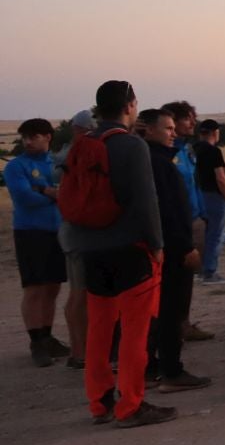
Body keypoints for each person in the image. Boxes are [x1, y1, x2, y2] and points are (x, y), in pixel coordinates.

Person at [65, 80, 176, 427]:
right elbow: (146, 201)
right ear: (129, 106)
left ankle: (100, 402)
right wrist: (157, 245)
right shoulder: (130, 146)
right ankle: (131, 404)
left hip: (91, 249)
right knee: (134, 332)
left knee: (99, 329)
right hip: (130, 249)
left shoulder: (83, 144)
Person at [138, 109, 211, 391]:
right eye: (167, 128)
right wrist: (184, 247)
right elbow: (168, 212)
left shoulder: (157, 159)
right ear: (150, 130)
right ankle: (171, 371)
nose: (172, 133)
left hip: (163, 245)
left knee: (161, 310)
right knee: (170, 310)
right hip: (171, 248)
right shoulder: (158, 163)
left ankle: (150, 366)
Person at [5, 119, 73, 367]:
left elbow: (68, 192)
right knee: (34, 288)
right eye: (25, 137)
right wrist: (52, 193)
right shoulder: (17, 166)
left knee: (52, 287)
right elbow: (24, 198)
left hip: (57, 231)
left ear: (48, 137)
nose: (28, 141)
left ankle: (47, 335)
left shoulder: (56, 163)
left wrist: (43, 190)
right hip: (30, 232)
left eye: (34, 136)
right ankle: (36, 341)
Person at [159, 100, 213, 342]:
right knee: (171, 278)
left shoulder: (186, 150)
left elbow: (195, 185)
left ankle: (183, 323)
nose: (192, 122)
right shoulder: (162, 154)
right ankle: (168, 328)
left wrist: (203, 214)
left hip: (194, 219)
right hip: (175, 224)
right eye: (187, 118)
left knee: (186, 277)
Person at [52, 108, 95, 369]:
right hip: (79, 232)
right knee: (80, 294)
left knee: (79, 294)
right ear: (80, 130)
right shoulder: (73, 155)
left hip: (76, 231)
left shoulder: (73, 153)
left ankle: (81, 349)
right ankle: (80, 352)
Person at [193, 119, 225, 283]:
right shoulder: (214, 152)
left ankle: (200, 269)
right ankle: (210, 271)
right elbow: (220, 178)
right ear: (215, 133)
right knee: (215, 234)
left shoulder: (193, 149)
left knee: (203, 234)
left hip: (198, 194)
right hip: (214, 196)